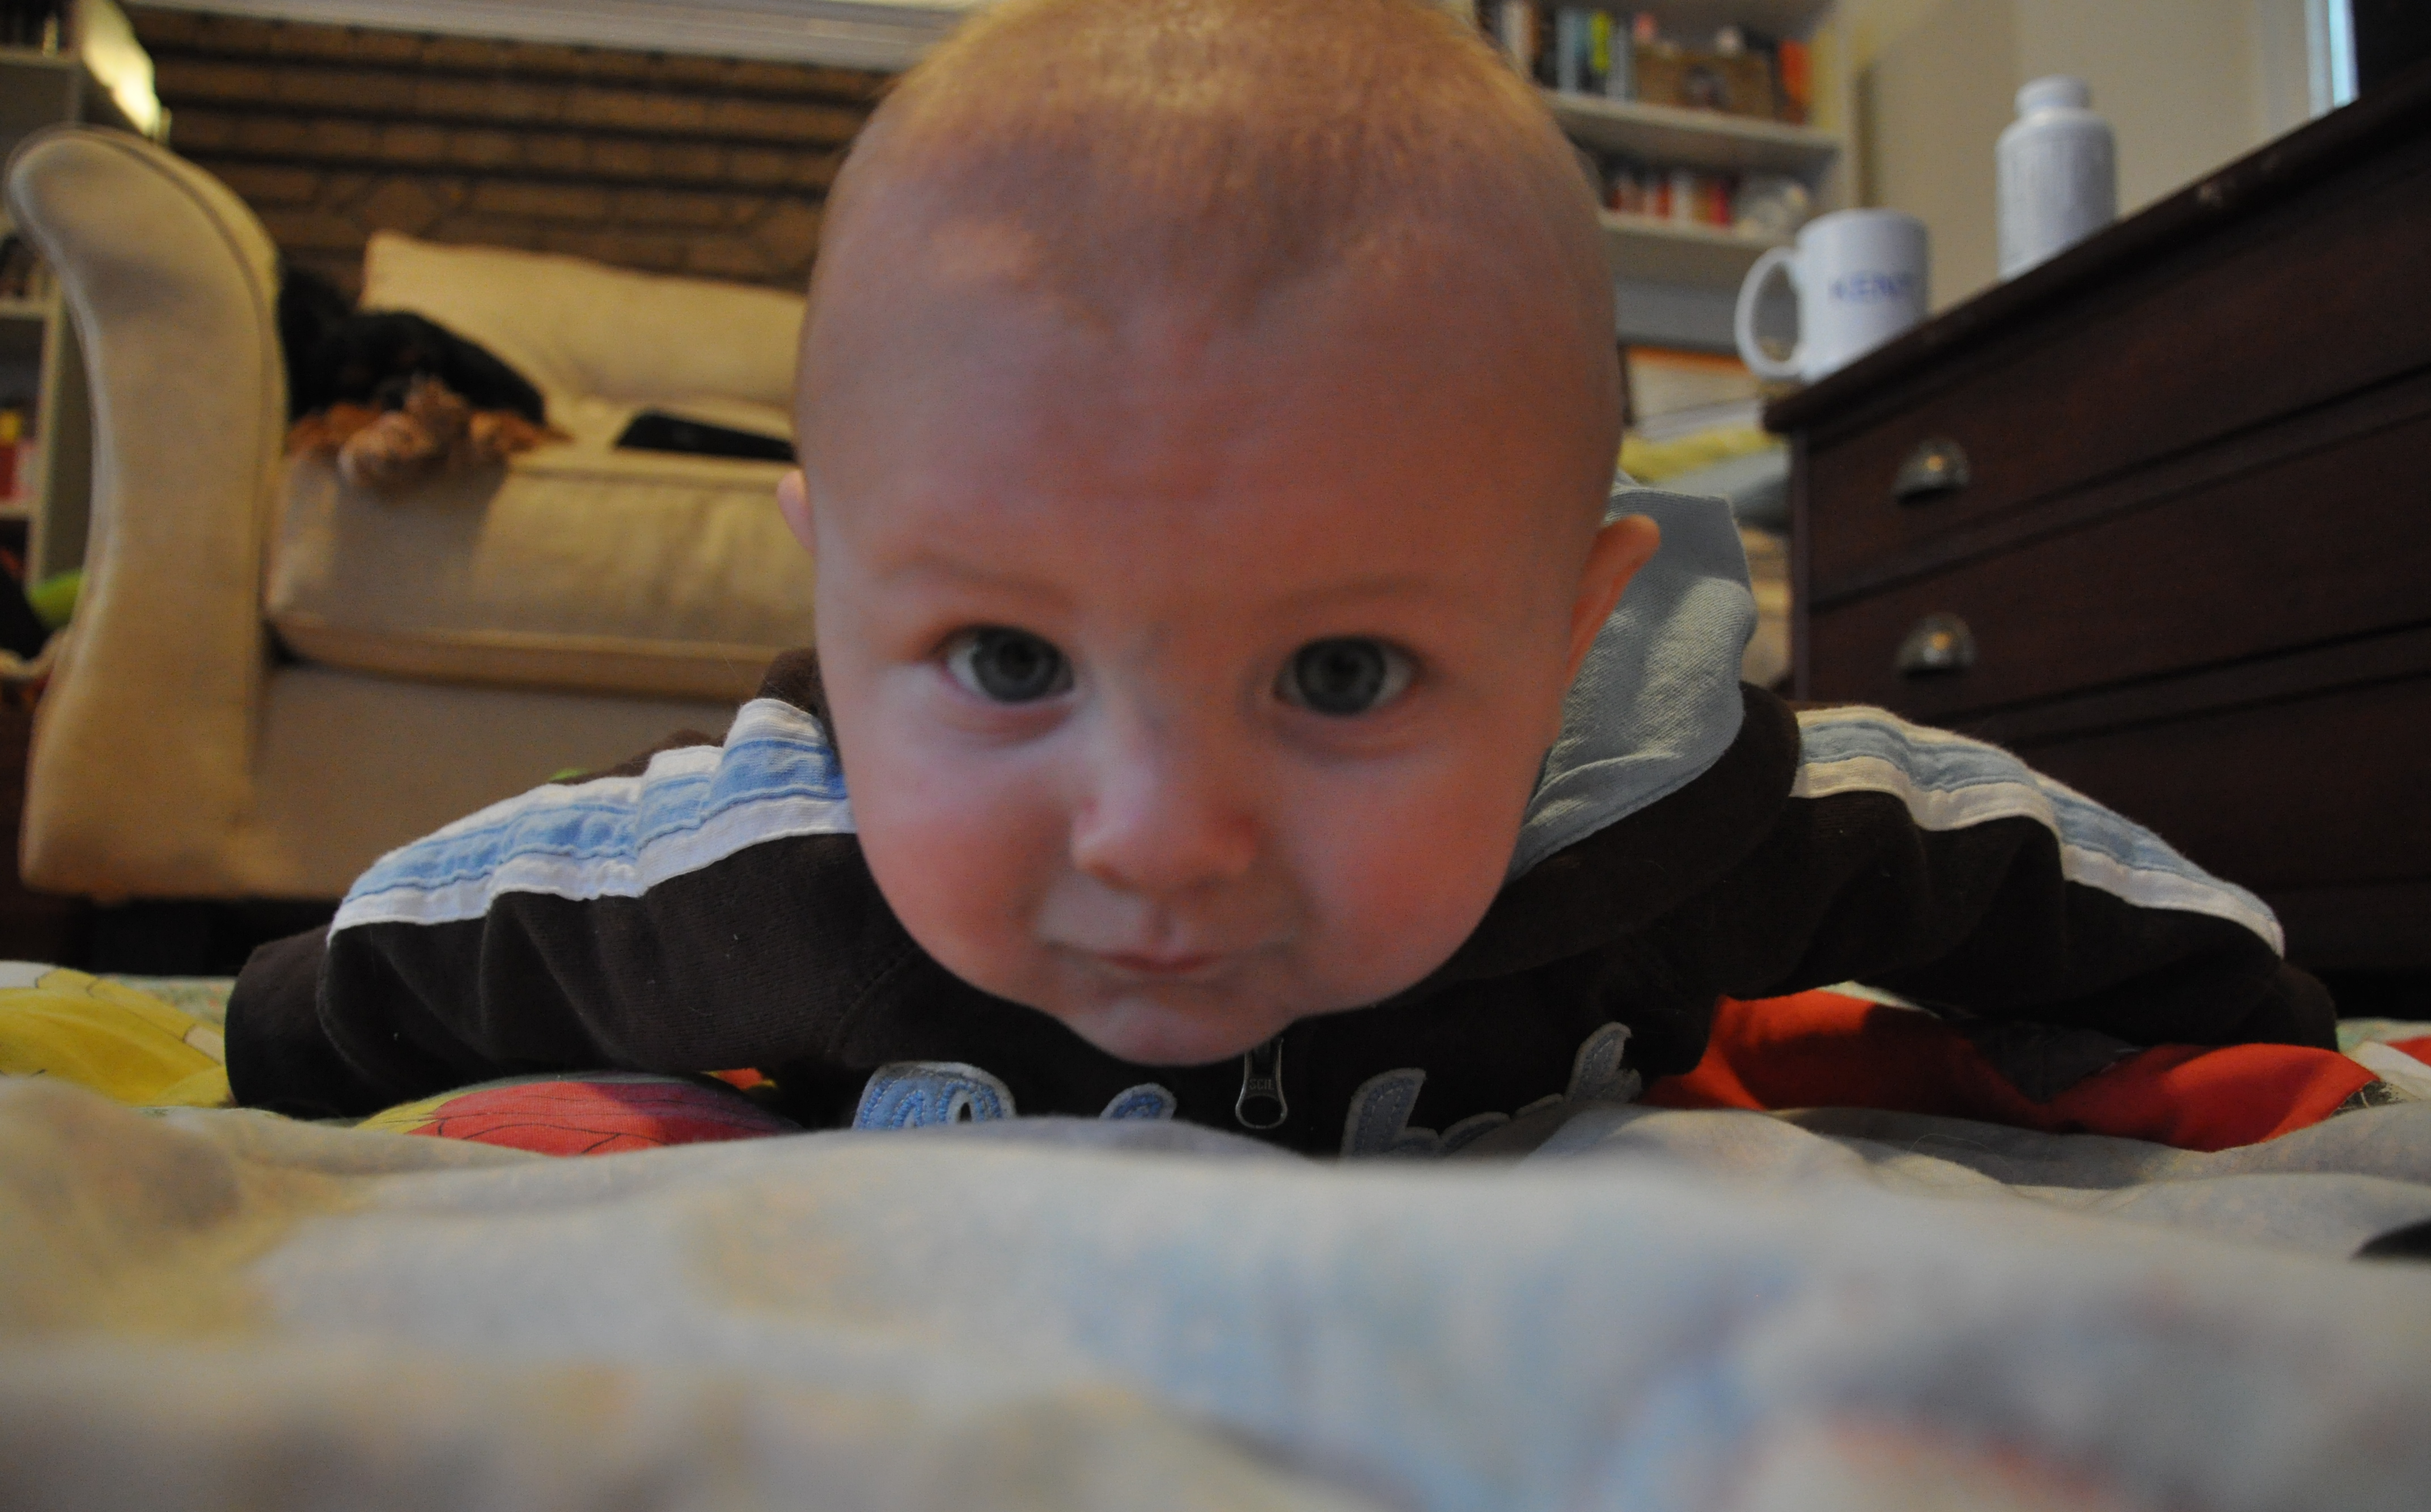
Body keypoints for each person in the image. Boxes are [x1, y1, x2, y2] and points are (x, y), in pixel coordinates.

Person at [225, 0, 2332, 1155]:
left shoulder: (1672, 821)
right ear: (842, 616)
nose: (1159, 840)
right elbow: (436, 942)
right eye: (1004, 659)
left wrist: (2268, 1022)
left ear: (1571, 637)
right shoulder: (758, 874)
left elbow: (2009, 862)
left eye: (1340, 675)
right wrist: (278, 1035)